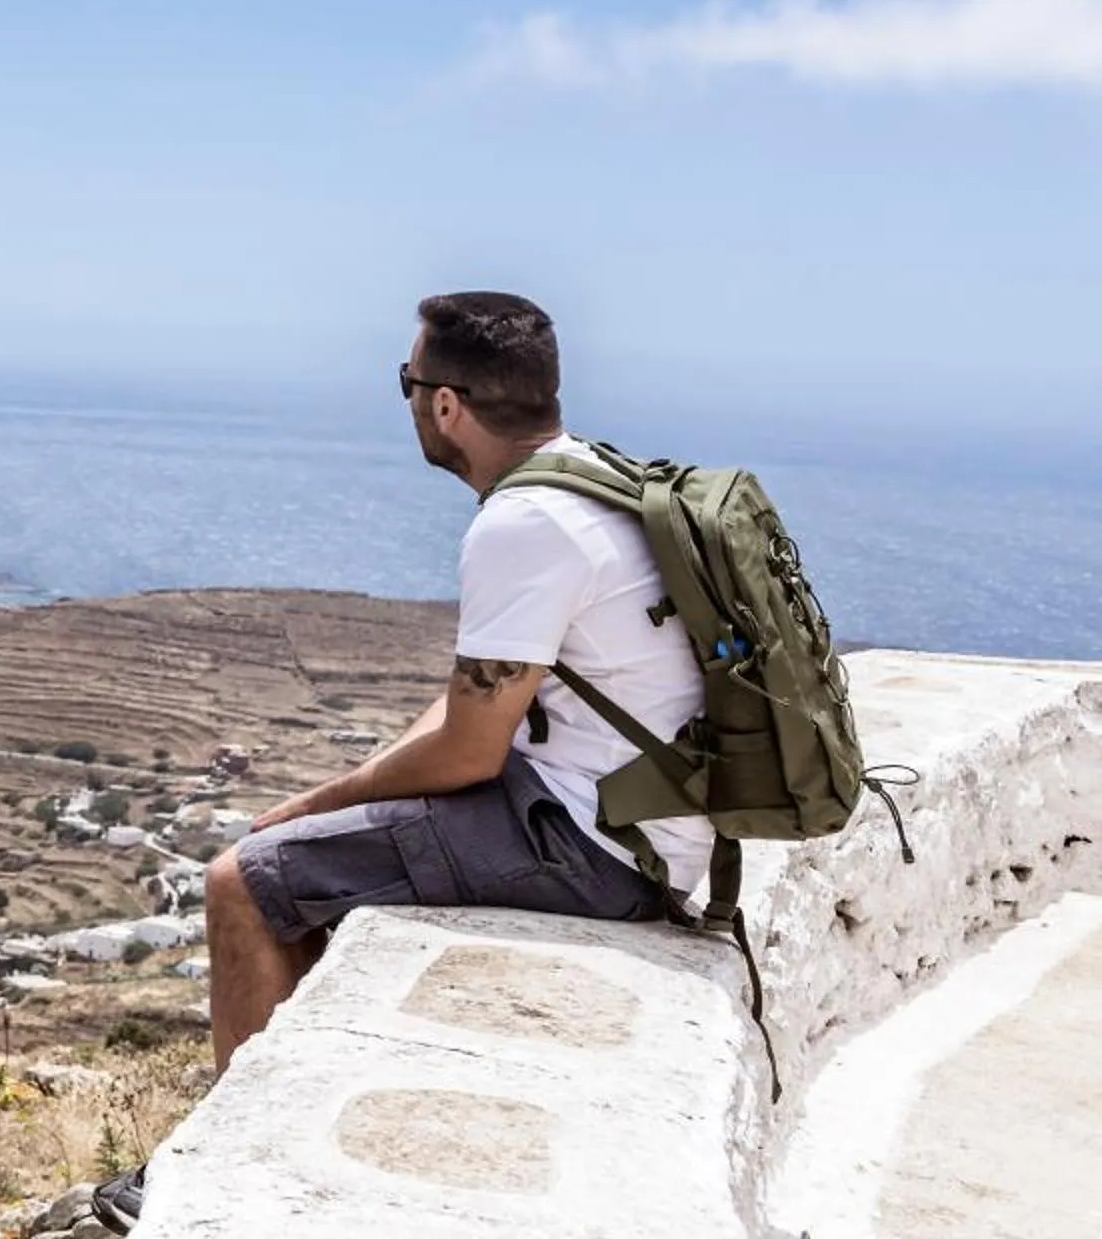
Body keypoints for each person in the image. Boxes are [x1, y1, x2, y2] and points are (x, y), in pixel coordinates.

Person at [91, 291, 707, 1236]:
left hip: (593, 849)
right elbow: (491, 698)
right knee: (318, 865)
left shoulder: (523, 525)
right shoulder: (595, 481)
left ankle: (229, 1172)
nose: (412, 401)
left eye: (408, 384)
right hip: (650, 823)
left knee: (242, 883)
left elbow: (469, 751)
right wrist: (351, 794)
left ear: (446, 404)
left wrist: (318, 804)